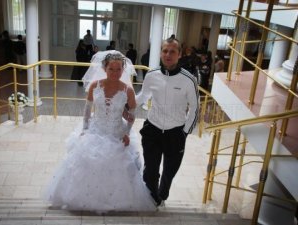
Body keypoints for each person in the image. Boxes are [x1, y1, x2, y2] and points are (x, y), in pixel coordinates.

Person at [45, 51, 156, 212]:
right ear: (105, 68)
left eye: (119, 69)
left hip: (116, 133)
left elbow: (132, 114)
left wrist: (126, 132)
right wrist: (84, 129)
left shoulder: (128, 90)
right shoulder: (94, 86)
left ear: (123, 70)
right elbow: (87, 110)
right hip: (95, 130)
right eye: (112, 69)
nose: (115, 73)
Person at [136, 38, 200, 206]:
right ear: (160, 53)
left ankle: (162, 193)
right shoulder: (152, 75)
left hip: (175, 132)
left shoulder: (189, 79)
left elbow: (194, 108)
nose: (168, 54)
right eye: (165, 51)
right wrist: (125, 103)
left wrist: (185, 132)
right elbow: (143, 96)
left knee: (169, 172)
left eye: (172, 51)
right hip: (153, 129)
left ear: (179, 54)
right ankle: (153, 197)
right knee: (150, 170)